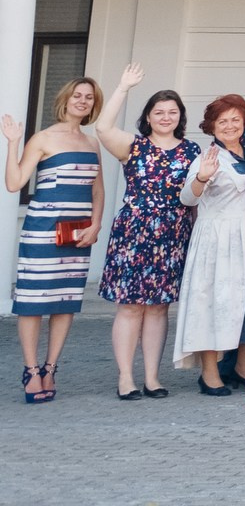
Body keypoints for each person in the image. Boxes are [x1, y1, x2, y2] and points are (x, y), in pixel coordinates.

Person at [6, 65, 138, 403]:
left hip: (77, 234)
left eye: (89, 98)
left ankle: (51, 367)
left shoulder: (93, 142)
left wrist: (95, 225)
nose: (82, 101)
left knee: (64, 302)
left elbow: (98, 191)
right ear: (65, 100)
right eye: (77, 96)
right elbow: (14, 182)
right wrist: (13, 142)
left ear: (94, 105)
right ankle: (31, 370)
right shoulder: (44, 138)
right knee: (33, 303)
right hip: (41, 231)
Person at [98, 82, 198, 399]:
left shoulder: (192, 150)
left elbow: (197, 195)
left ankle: (152, 377)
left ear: (180, 116)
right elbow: (102, 127)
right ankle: (126, 377)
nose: (166, 117)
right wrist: (123, 88)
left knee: (158, 308)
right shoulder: (134, 146)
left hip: (173, 234)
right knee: (130, 308)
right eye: (159, 112)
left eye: (172, 112)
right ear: (149, 117)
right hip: (134, 233)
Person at [172, 94, 245, 394]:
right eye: (222, 121)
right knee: (214, 303)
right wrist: (201, 178)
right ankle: (210, 371)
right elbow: (187, 198)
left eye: (235, 120)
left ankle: (242, 366)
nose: (229, 126)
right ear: (212, 126)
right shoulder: (208, 157)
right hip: (219, 241)